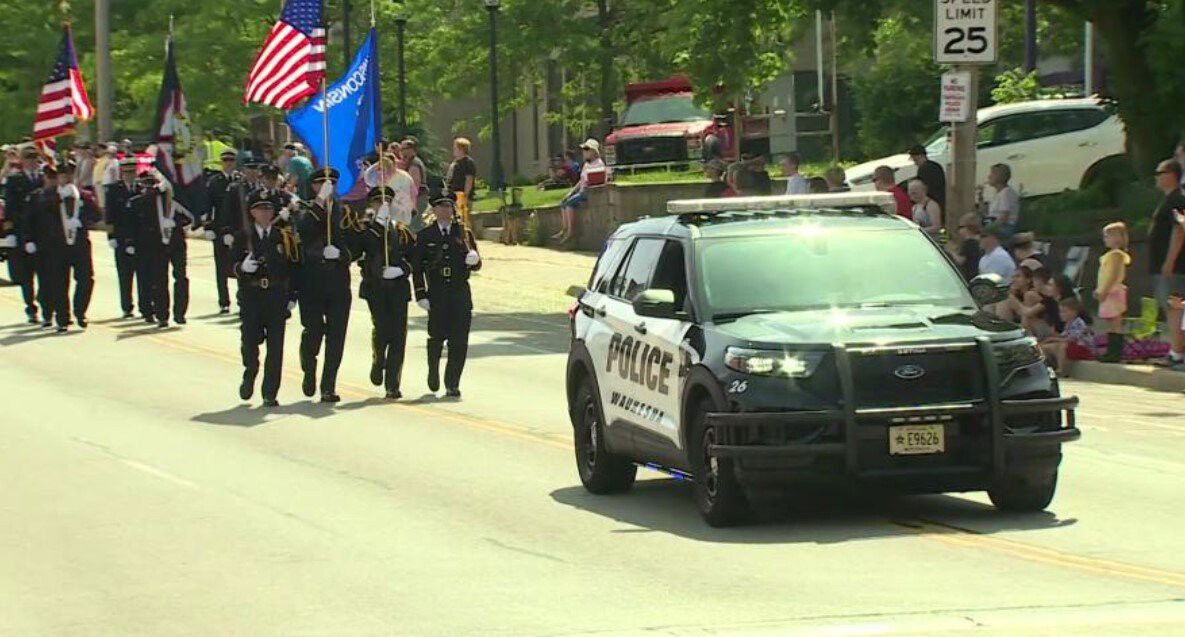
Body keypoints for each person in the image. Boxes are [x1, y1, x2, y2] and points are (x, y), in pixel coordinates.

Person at [297, 168, 360, 403]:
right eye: (322, 183)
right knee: (313, 332)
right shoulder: (306, 210)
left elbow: (356, 246)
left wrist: (342, 255)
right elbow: (302, 231)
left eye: (331, 183)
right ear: (313, 186)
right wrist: (319, 202)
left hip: (338, 282)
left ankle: (328, 385)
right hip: (312, 282)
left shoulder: (344, 213)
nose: (328, 186)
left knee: (336, 336)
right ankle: (309, 368)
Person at [234, 191, 300, 407]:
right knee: (250, 341)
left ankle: (270, 392)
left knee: (276, 346)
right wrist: (241, 268)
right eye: (260, 209)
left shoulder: (282, 237)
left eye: (269, 209)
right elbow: (228, 264)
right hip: (251, 297)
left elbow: (291, 268)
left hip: (275, 296)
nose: (265, 213)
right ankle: (250, 371)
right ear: (252, 212)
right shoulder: (243, 236)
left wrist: (292, 296)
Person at [411, 196, 481, 397]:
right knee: (437, 336)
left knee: (459, 341)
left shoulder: (463, 234)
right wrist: (420, 294)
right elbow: (417, 268)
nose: (447, 210)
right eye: (442, 207)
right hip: (438, 291)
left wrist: (474, 260)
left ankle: (452, 382)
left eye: (449, 206)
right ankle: (433, 370)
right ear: (434, 210)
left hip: (459, 291)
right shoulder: (426, 235)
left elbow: (476, 263)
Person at [357, 187, 420, 399]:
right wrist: (378, 224)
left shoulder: (401, 230)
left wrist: (402, 269)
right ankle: (378, 359)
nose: (384, 205)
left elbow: (414, 258)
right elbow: (363, 247)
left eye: (387, 201)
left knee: (398, 336)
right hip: (376, 289)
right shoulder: (366, 228)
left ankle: (393, 383)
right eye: (378, 202)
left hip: (398, 289)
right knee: (382, 328)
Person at [24, 162, 98, 332]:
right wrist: (29, 239)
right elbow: (35, 218)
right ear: (57, 177)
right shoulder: (46, 196)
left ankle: (80, 311)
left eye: (69, 175)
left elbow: (96, 215)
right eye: (63, 175)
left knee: (86, 279)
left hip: (79, 245)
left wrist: (83, 216)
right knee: (58, 282)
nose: (66, 178)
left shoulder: (84, 195)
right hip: (56, 246)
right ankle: (63, 318)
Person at [132, 170, 190, 328]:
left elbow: (189, 215)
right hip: (156, 244)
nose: (150, 187)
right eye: (147, 184)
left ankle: (180, 313)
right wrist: (154, 193)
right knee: (159, 279)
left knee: (181, 277)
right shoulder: (145, 200)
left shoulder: (175, 198)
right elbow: (138, 210)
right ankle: (162, 314)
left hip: (176, 242)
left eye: (153, 183)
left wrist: (176, 222)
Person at [1148, 159, 1185, 368]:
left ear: (1171, 174)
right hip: (1168, 266)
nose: (1156, 176)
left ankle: (1177, 353)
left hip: (1174, 267)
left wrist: (1169, 262)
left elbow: (1179, 230)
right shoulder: (1170, 199)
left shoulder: (1177, 199)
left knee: (1174, 308)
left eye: (1159, 172)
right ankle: (1177, 351)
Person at [5, 146, 45, 323]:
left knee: (46, 272)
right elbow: (9, 207)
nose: (32, 162)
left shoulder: (44, 179)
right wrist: (10, 231)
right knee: (27, 274)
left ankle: (44, 302)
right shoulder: (15, 180)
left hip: (42, 232)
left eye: (34, 158)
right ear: (22, 161)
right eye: (28, 158)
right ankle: (31, 306)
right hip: (22, 230)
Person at [105, 157, 148, 319]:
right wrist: (111, 235)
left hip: (140, 238)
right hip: (121, 238)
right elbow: (109, 214)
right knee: (125, 274)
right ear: (121, 173)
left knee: (143, 275)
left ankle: (145, 306)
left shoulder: (141, 188)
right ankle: (127, 306)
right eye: (126, 172)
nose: (129, 175)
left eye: (132, 171)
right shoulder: (114, 190)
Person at [206, 150, 244, 314]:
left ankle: (242, 298)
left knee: (240, 265)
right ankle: (224, 301)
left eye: (231, 160)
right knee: (221, 267)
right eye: (226, 160)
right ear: (222, 162)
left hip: (238, 229)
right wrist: (208, 226)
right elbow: (208, 205)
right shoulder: (214, 181)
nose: (228, 163)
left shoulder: (240, 180)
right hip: (220, 228)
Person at [555, 139, 606, 245]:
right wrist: (570, 192)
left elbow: (599, 179)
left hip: (588, 193)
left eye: (586, 149)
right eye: (583, 149)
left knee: (569, 204)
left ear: (594, 151)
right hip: (582, 191)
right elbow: (580, 181)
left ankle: (571, 232)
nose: (584, 151)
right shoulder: (586, 165)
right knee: (563, 202)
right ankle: (565, 229)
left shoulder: (599, 164)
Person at [1095, 222, 1131, 363]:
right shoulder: (1110, 254)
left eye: (1107, 236)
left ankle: (1115, 353)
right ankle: (1112, 351)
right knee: (1111, 322)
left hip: (1112, 291)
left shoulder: (1116, 255)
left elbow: (1113, 275)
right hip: (1108, 290)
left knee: (1115, 322)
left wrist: (1104, 290)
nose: (1105, 239)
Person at [1039, 297, 1095, 377]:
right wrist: (1052, 336)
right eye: (1060, 312)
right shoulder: (1068, 324)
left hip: (1085, 349)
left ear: (1074, 312)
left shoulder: (1078, 322)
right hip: (1073, 347)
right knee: (1046, 347)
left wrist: (1053, 338)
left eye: (1064, 312)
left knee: (1062, 345)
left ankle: (1061, 370)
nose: (1061, 314)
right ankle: (1045, 368)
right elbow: (1063, 336)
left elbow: (1072, 339)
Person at [981, 163, 1020, 233]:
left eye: (991, 174)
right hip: (996, 224)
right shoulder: (998, 193)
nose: (988, 176)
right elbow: (987, 214)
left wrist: (987, 229)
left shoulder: (1006, 193)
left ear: (998, 177)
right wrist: (980, 196)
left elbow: (1004, 217)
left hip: (1005, 228)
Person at [401, 137, 430, 230]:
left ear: (410, 150)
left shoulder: (414, 164)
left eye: (403, 149)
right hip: (417, 198)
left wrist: (412, 203)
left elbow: (415, 184)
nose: (401, 152)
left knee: (414, 224)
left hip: (418, 198)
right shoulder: (409, 163)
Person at [908, 144, 946, 211]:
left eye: (915, 160)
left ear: (920, 156)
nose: (915, 163)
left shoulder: (923, 169)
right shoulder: (936, 166)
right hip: (941, 202)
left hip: (929, 204)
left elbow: (921, 188)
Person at [948, 213, 983, 282]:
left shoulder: (969, 242)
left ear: (968, 228)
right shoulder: (979, 240)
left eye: (960, 227)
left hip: (969, 276)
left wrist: (950, 252)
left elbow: (960, 260)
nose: (958, 230)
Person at [444, 137, 477, 204]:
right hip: (452, 196)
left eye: (455, 148)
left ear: (461, 149)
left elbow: (469, 180)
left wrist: (465, 196)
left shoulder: (468, 163)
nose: (453, 150)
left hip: (462, 196)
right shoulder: (455, 162)